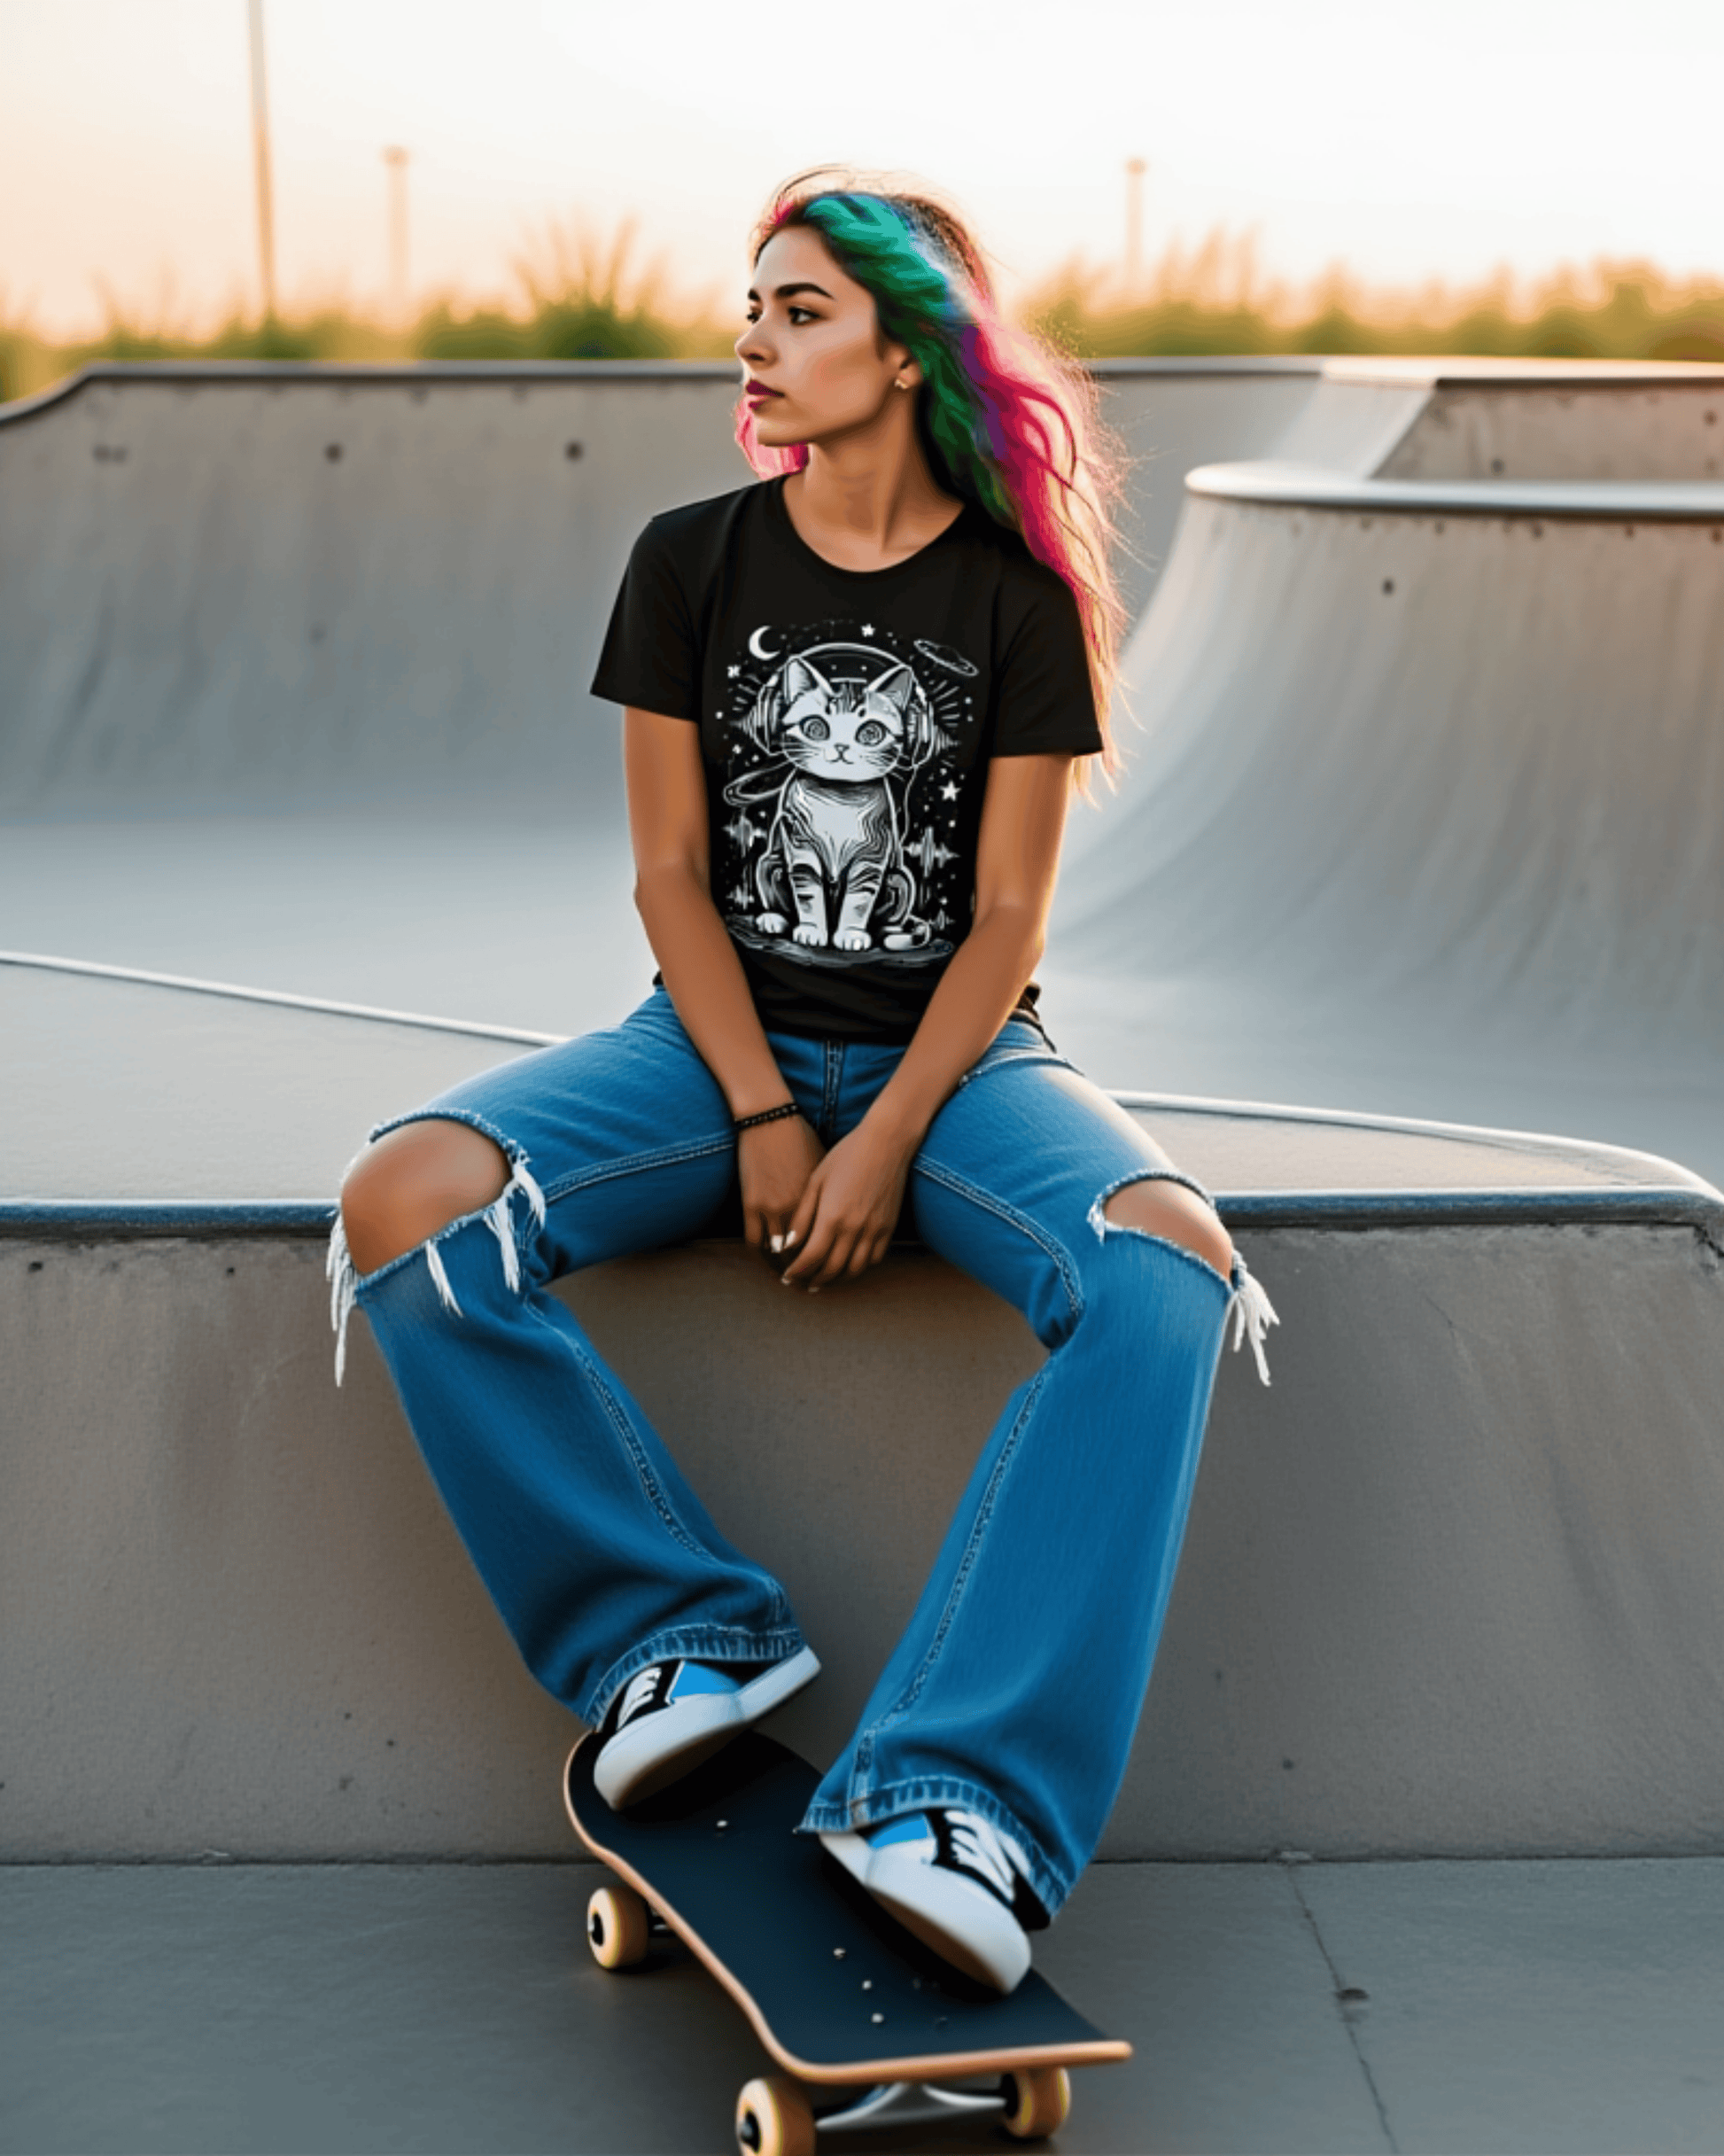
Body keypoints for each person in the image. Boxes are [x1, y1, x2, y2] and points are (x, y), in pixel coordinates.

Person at [329, 169, 1276, 1996]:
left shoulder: (1017, 600)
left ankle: (960, 1799)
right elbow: (672, 877)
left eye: (800, 310)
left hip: (958, 1058)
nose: (751, 341)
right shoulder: (690, 560)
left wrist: (892, 1130)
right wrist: (768, 1112)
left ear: (909, 354)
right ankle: (672, 1640)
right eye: (751, 305)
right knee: (407, 1195)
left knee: (1166, 1254)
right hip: (708, 1050)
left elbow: (1002, 919)